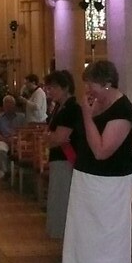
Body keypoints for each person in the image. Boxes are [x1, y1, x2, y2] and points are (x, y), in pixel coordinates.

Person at [55, 59, 132, 263]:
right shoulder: (92, 103)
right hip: (85, 179)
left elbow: (102, 151)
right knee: (81, 240)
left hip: (111, 185)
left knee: (111, 244)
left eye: (91, 84)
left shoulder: (123, 111)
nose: (87, 90)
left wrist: (88, 117)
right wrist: (86, 115)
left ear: (106, 83)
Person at [43, 70, 83, 242]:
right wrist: (50, 138)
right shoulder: (60, 107)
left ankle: (67, 243)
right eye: (48, 88)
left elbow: (59, 138)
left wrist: (50, 138)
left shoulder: (71, 108)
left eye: (53, 88)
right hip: (58, 159)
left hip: (66, 161)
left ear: (65, 87)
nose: (49, 91)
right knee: (57, 201)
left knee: (62, 201)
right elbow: (51, 136)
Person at [0, 94, 25, 180]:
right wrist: (5, 140)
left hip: (18, 140)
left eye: (11, 104)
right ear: (3, 106)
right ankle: (4, 171)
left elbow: (25, 131)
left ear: (14, 105)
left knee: (24, 147)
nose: (8, 107)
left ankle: (18, 169)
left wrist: (16, 138)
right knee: (0, 149)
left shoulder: (22, 117)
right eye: (6, 105)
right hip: (3, 139)